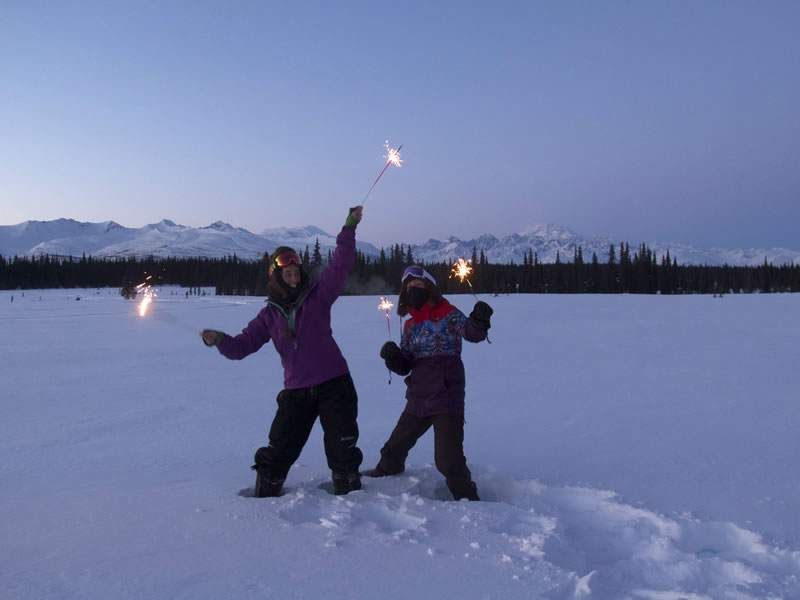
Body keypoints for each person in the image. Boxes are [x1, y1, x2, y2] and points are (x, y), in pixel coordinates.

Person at [201, 206, 365, 497]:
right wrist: (220, 340)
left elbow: (341, 264)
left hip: (334, 383)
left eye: (295, 272)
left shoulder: (319, 295)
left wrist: (348, 227)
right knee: (279, 448)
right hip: (297, 390)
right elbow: (242, 346)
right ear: (276, 277)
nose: (292, 277)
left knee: (342, 447)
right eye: (286, 273)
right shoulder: (269, 316)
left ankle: (350, 494)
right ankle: (265, 494)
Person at [364, 265, 493, 501]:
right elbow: (406, 364)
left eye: (419, 286)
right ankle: (388, 471)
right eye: (410, 287)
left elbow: (472, 333)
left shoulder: (449, 313)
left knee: (448, 460)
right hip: (419, 396)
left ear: (430, 288)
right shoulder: (410, 325)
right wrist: (393, 358)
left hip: (446, 396)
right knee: (395, 446)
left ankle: (468, 500)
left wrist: (480, 319)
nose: (414, 290)